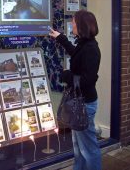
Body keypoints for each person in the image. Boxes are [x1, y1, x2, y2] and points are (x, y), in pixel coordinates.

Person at [49, 9, 101, 170]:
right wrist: (61, 38)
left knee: (88, 149)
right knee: (79, 148)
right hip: (79, 102)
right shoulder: (84, 44)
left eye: (74, 22)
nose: (72, 24)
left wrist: (67, 76)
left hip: (84, 104)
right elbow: (76, 54)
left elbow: (88, 79)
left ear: (81, 25)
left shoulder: (91, 48)